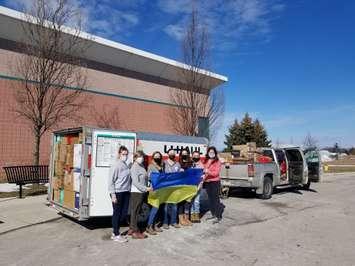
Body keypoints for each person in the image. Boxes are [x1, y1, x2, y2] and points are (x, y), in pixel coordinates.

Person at [108, 145, 131, 242]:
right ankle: (116, 234)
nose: (125, 156)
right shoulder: (116, 165)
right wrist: (113, 195)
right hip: (117, 192)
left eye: (126, 154)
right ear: (119, 154)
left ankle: (115, 232)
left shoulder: (125, 164)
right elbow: (110, 181)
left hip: (125, 192)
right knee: (117, 213)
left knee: (124, 213)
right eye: (123, 154)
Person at [129, 151, 152, 239]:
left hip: (141, 192)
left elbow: (145, 177)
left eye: (142, 156)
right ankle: (135, 231)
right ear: (135, 158)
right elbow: (135, 182)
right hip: (136, 192)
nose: (141, 158)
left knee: (136, 211)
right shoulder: (134, 167)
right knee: (135, 211)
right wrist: (146, 189)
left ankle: (132, 228)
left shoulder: (141, 166)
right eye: (139, 156)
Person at [146, 151, 164, 235]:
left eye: (159, 156)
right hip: (154, 189)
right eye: (156, 156)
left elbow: (163, 176)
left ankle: (154, 225)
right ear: (153, 157)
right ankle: (149, 226)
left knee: (158, 208)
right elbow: (149, 177)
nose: (157, 158)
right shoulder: (151, 166)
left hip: (160, 189)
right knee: (155, 208)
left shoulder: (161, 166)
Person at [162, 148, 181, 229]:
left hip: (175, 188)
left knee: (174, 205)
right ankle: (165, 222)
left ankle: (173, 221)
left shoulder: (178, 164)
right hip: (166, 187)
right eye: (170, 153)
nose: (172, 154)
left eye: (173, 153)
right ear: (168, 154)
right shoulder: (164, 163)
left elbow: (180, 175)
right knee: (166, 206)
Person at [204, 146, 223, 224]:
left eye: (213, 152)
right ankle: (213, 214)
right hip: (208, 182)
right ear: (208, 153)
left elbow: (216, 173)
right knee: (210, 199)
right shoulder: (206, 161)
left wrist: (208, 171)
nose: (211, 154)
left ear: (215, 153)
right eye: (210, 152)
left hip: (215, 182)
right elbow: (203, 171)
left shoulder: (217, 162)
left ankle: (218, 216)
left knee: (215, 199)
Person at [177, 148, 193, 226]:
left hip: (189, 185)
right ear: (180, 155)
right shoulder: (178, 163)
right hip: (180, 185)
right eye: (183, 153)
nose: (184, 155)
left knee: (187, 202)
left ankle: (186, 218)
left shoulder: (191, 163)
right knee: (181, 202)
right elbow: (175, 174)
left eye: (185, 153)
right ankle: (181, 219)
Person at [190, 150, 204, 223]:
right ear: (192, 156)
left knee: (197, 201)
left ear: (199, 156)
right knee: (191, 201)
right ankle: (192, 215)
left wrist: (199, 186)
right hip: (190, 186)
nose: (196, 157)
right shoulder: (190, 164)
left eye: (197, 156)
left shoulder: (201, 165)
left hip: (198, 185)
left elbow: (202, 177)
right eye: (194, 156)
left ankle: (197, 215)